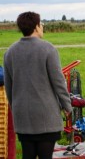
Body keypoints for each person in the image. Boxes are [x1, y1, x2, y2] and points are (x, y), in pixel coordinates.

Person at [3, 11, 72, 159]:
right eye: (41, 24)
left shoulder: (10, 52)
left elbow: (9, 88)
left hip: (22, 117)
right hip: (45, 117)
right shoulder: (48, 49)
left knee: (28, 155)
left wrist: (16, 109)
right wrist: (67, 105)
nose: (42, 27)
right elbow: (59, 82)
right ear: (36, 27)